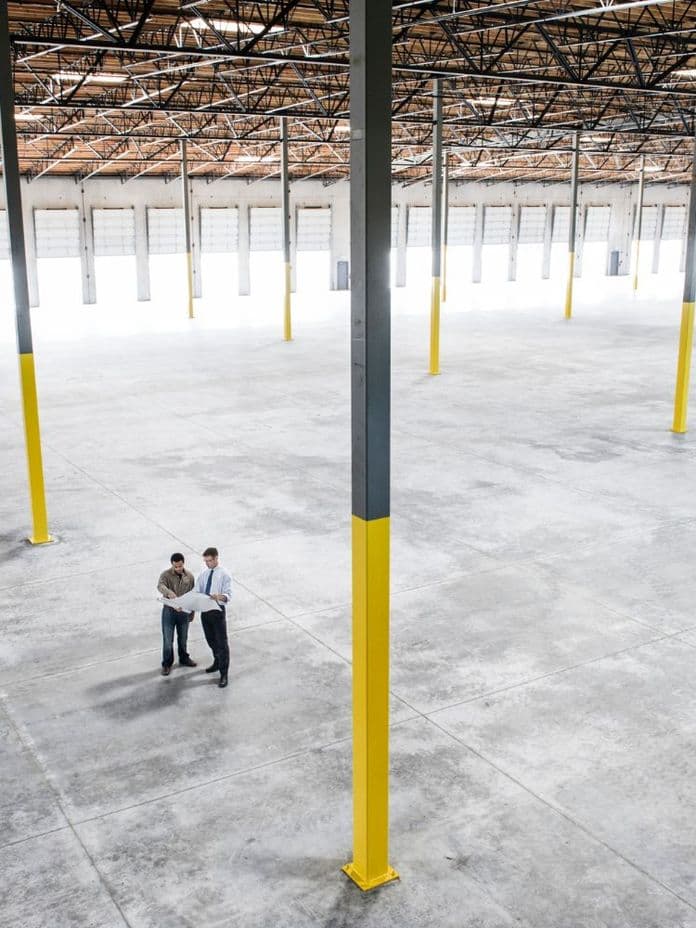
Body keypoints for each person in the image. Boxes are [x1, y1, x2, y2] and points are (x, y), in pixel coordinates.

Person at [195, 547, 232, 689]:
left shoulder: (224, 574)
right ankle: (217, 661)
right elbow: (198, 590)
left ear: (216, 558)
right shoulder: (204, 574)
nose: (207, 563)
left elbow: (228, 595)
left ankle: (224, 673)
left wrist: (219, 597)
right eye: (205, 561)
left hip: (217, 611)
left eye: (209, 561)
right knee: (210, 639)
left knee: (222, 643)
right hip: (205, 611)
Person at [157, 553, 197, 676]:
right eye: (176, 566)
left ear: (183, 563)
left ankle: (184, 658)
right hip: (169, 612)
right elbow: (160, 586)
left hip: (184, 612)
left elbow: (193, 595)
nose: (178, 568)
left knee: (183, 638)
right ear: (172, 564)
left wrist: (192, 612)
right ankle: (167, 663)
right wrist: (169, 593)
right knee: (168, 639)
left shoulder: (189, 576)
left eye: (180, 566)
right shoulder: (165, 575)